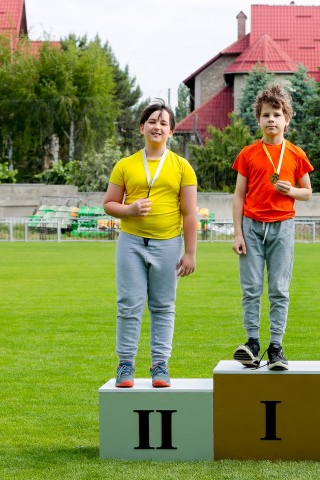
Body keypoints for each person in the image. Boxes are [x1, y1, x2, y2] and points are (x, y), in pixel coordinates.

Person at [103, 100, 198, 388]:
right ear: (142, 127)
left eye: (164, 123)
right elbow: (109, 204)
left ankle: (160, 365)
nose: (158, 126)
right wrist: (129, 210)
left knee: (163, 306)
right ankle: (125, 365)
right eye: (152, 121)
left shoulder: (182, 167)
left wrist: (190, 252)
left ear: (171, 132)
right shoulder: (125, 165)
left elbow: (190, 213)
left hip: (168, 244)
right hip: (131, 243)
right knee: (129, 305)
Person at [231, 84, 313, 370]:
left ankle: (276, 347)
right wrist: (238, 233)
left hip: (282, 226)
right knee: (251, 288)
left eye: (277, 114)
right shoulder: (249, 154)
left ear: (286, 119)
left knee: (279, 289)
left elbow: (307, 192)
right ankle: (252, 343)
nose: (271, 120)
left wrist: (290, 190)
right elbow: (239, 195)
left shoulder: (295, 154)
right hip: (251, 226)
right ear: (258, 120)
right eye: (266, 115)